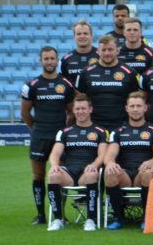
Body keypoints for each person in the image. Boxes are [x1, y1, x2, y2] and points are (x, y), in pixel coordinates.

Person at [21, 46, 75, 224]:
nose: (49, 62)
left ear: (57, 60)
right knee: (38, 176)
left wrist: (64, 131)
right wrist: (36, 128)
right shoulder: (32, 85)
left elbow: (71, 112)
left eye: (52, 58)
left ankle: (60, 215)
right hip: (40, 137)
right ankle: (41, 215)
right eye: (46, 59)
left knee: (59, 176)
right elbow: (25, 113)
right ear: (40, 61)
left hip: (59, 139)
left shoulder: (66, 84)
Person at [104, 92, 153, 229]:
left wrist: (151, 162)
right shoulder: (118, 131)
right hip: (125, 174)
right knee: (110, 172)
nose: (135, 109)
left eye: (139, 106)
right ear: (126, 108)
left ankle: (146, 218)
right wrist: (110, 163)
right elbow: (110, 155)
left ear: (145, 108)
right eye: (132, 106)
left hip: (142, 173)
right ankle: (118, 218)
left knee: (148, 172)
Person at [46, 94, 107, 231]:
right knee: (53, 176)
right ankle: (58, 219)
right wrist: (55, 165)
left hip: (87, 172)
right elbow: (55, 153)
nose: (81, 112)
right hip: (69, 172)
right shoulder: (65, 132)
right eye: (77, 109)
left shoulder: (100, 131)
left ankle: (91, 220)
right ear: (73, 111)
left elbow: (102, 155)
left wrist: (94, 165)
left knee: (92, 175)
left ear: (90, 109)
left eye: (83, 108)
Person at [76, 34, 139, 131]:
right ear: (97, 51)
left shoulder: (130, 72)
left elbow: (136, 98)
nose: (107, 53)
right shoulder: (85, 73)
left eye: (110, 49)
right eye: (103, 50)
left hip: (122, 124)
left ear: (117, 50)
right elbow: (79, 98)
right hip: (93, 124)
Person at [60, 19, 98, 86]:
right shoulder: (66, 60)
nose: (82, 36)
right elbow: (63, 83)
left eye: (85, 33)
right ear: (74, 37)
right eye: (79, 34)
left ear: (91, 36)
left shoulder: (101, 56)